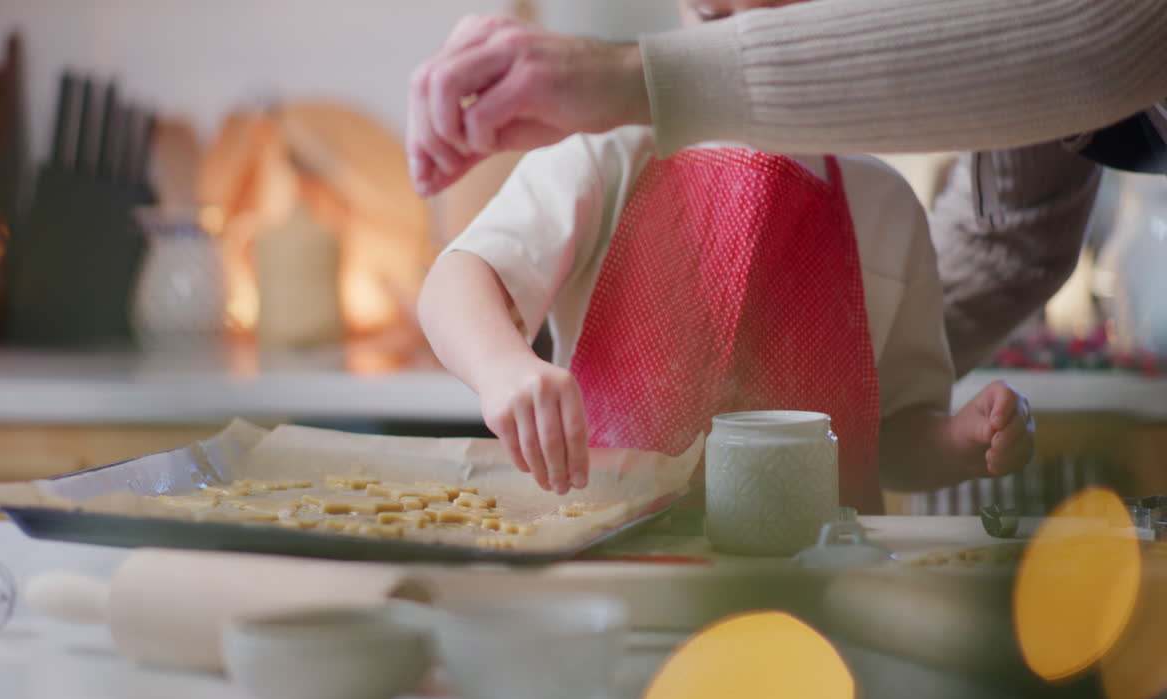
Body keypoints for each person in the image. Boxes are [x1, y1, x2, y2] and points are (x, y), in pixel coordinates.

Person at [418, 0, 1036, 514]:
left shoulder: (886, 208)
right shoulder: (607, 153)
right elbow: (457, 278)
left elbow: (893, 438)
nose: (739, 58)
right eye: (714, 19)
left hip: (818, 597)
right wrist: (502, 367)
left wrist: (956, 441)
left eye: (773, 31)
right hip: (621, 568)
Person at [406, 0, 1167, 373]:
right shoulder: (604, 160)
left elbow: (1110, 37)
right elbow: (1011, 239)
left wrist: (636, 77)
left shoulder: (870, 199)